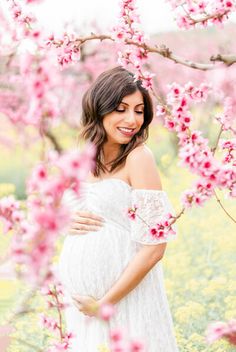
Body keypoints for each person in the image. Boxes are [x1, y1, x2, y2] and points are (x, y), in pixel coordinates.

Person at [58, 66, 179, 351]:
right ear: (100, 108)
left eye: (139, 111)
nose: (132, 119)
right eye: (121, 108)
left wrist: (104, 304)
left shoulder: (139, 157)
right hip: (81, 310)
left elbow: (155, 247)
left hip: (124, 301)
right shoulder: (83, 158)